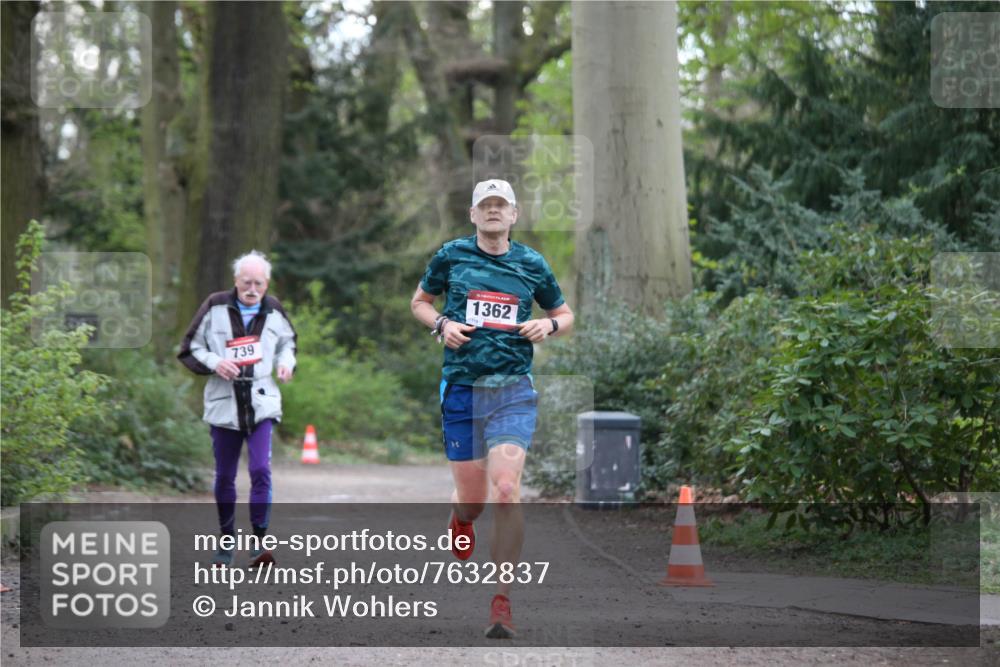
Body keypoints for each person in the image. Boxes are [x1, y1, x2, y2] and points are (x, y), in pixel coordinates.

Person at [410, 179, 574, 638]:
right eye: (487, 206)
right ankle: (461, 517)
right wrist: (441, 324)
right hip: (462, 388)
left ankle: (501, 601)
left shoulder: (531, 263)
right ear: (474, 214)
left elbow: (565, 314)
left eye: (502, 206)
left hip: (512, 390)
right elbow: (419, 303)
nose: (494, 212)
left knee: (506, 488)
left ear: (515, 215)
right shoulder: (451, 256)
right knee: (476, 501)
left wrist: (549, 324)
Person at [178, 250, 297, 568]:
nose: (252, 289)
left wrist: (285, 364)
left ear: (267, 283)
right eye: (247, 282)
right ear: (236, 281)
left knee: (260, 470)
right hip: (224, 402)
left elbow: (289, 342)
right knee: (225, 475)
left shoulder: (273, 310)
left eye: (259, 283)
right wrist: (216, 363)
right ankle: (226, 541)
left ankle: (259, 544)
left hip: (261, 401)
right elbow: (190, 347)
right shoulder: (215, 305)